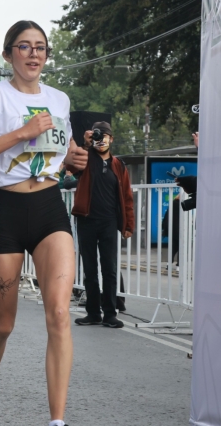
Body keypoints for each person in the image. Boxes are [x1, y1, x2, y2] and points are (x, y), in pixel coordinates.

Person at [0, 20, 84, 426]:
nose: (33, 54)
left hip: (49, 208)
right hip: (5, 212)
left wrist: (74, 156)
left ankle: (57, 421)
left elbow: (57, 146)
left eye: (41, 48)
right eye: (25, 47)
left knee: (59, 315)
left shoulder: (59, 99)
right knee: (3, 324)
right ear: (10, 53)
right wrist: (21, 132)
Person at [70, 121, 134, 328]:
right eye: (98, 136)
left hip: (109, 222)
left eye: (104, 136)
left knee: (110, 269)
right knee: (89, 269)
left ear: (111, 139)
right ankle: (93, 313)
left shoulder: (118, 165)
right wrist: (86, 145)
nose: (101, 140)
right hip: (87, 220)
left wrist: (128, 225)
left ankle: (110, 313)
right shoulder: (86, 159)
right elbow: (71, 167)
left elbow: (126, 197)